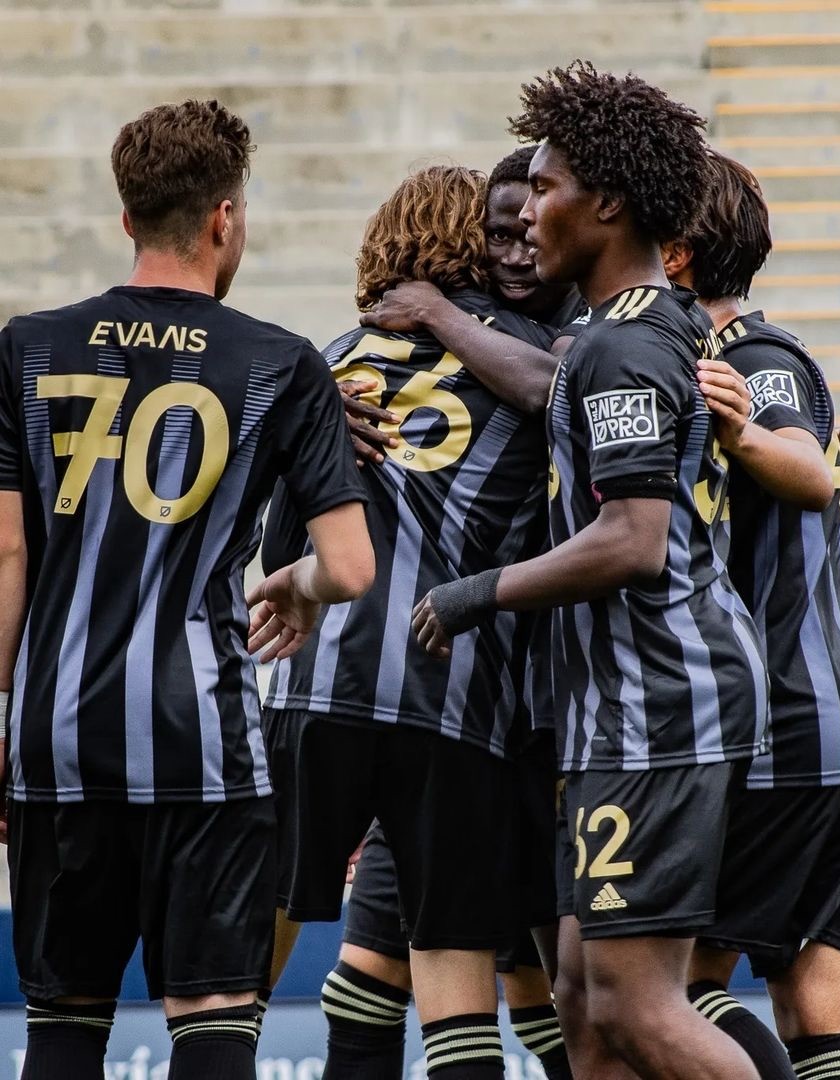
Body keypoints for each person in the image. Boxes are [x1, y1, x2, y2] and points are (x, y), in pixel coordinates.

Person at [0, 99, 374, 1080]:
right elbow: (351, 567)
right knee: (211, 1022)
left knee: (64, 1024)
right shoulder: (280, 363)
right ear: (224, 218)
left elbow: (5, 559)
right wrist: (292, 583)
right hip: (202, 740)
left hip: (57, 740)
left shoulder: (25, 350)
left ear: (127, 220)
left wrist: (5, 717)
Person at [412, 61, 768, 1080]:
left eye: (551, 189)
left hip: (664, 700)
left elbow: (632, 539)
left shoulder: (624, 347)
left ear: (607, 203)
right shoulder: (620, 334)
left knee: (636, 1002)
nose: (531, 215)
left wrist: (475, 593)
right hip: (622, 705)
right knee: (580, 994)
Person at [260, 164, 563, 1079]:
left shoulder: (332, 362)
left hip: (315, 695)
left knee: (232, 974)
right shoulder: (537, 355)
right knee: (458, 980)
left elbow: (282, 551)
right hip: (457, 709)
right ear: (473, 242)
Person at [682, 150, 840, 1080]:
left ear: (680, 249)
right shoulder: (715, 356)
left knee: (658, 984)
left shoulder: (751, 358)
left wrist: (742, 435)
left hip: (793, 718)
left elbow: (802, 467)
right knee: (811, 977)